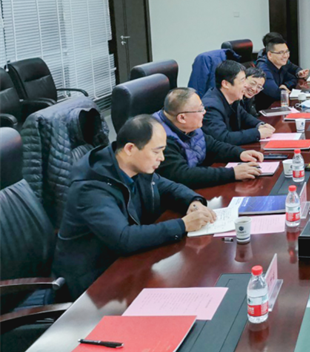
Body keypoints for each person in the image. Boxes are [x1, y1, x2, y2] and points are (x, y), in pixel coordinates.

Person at [53, 115, 217, 299]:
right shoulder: (91, 188)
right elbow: (124, 239)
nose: (162, 158)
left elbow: (168, 188)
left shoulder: (134, 166)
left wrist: (193, 202)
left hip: (128, 263)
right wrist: (184, 225)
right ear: (130, 148)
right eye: (156, 151)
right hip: (94, 283)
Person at [154, 88, 264, 189]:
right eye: (200, 110)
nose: (204, 112)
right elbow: (183, 175)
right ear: (182, 117)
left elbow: (212, 145)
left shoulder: (188, 126)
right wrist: (232, 173)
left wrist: (240, 153)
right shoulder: (160, 139)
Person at [202, 60, 275, 145]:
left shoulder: (232, 98)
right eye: (242, 81)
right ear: (225, 84)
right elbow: (222, 138)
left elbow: (244, 116)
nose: (246, 85)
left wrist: (260, 124)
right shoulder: (211, 107)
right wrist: (257, 133)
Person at [255, 32, 309, 107]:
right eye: (281, 53)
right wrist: (284, 91)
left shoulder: (281, 63)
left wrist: (285, 85)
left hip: (278, 106)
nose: (286, 56)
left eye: (287, 52)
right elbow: (276, 94)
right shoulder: (263, 69)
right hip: (265, 109)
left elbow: (293, 78)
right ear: (269, 54)